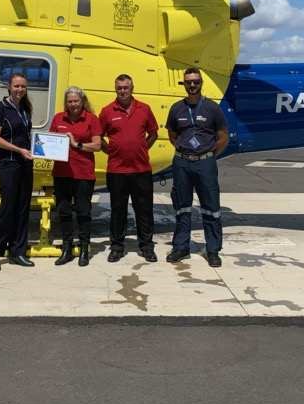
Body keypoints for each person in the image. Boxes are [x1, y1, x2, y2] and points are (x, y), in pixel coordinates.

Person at [165, 67, 229, 268]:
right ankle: (181, 247)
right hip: (182, 162)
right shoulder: (176, 108)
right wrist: (185, 152)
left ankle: (212, 250)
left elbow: (223, 136)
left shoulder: (212, 108)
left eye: (196, 82)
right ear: (184, 84)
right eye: (188, 82)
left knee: (211, 208)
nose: (192, 85)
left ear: (201, 83)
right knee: (182, 206)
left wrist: (207, 154)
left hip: (205, 163)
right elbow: (173, 135)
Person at [98, 73, 159, 263]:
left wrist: (142, 149)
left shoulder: (144, 109)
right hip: (117, 171)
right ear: (115, 89)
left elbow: (154, 134)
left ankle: (146, 246)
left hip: (141, 170)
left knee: (144, 210)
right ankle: (117, 247)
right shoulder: (107, 111)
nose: (122, 91)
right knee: (118, 210)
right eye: (119, 88)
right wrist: (112, 152)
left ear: (132, 88)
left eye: (126, 88)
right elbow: (99, 138)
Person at [0, 72, 35, 271]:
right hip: (8, 163)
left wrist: (35, 149)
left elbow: (26, 135)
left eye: (23, 86)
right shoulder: (0, 108)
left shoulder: (25, 108)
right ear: (9, 87)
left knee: (23, 209)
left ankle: (18, 251)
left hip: (24, 164)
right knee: (7, 208)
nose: (20, 90)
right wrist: (19, 150)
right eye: (16, 86)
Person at [49, 86, 102, 267]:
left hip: (83, 173)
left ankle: (85, 249)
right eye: (70, 101)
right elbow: (50, 141)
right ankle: (67, 248)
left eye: (76, 101)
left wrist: (76, 144)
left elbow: (97, 145)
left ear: (82, 101)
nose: (73, 105)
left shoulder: (91, 119)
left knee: (83, 212)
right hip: (62, 173)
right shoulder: (58, 118)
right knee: (63, 212)